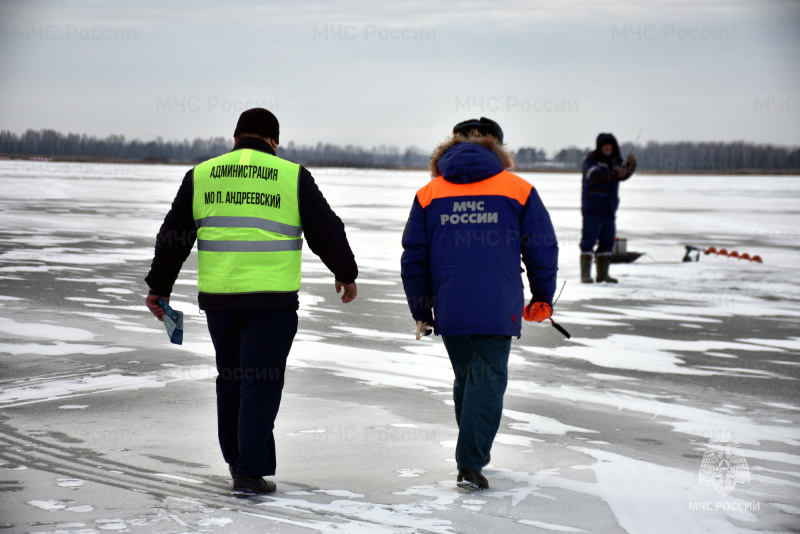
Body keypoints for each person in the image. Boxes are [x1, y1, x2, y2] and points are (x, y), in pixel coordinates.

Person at [144, 108, 358, 496]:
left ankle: (236, 460)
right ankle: (250, 470)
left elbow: (174, 233)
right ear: (274, 141)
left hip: (220, 299)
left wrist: (159, 286)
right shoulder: (292, 175)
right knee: (260, 382)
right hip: (271, 300)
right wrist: (345, 271)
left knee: (230, 379)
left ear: (236, 137)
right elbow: (326, 229)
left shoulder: (202, 174)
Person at [401, 117, 558, 490]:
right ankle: (470, 463)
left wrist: (422, 310)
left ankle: (474, 450)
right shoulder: (518, 189)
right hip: (496, 304)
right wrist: (542, 296)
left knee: (469, 377)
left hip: (449, 305)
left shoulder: (430, 193)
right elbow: (542, 247)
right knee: (486, 380)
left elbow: (414, 256)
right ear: (499, 148)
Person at [579, 133, 636, 283]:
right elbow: (593, 175)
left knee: (607, 241)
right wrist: (614, 173)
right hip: (593, 208)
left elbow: (621, 175)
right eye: (605, 145)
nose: (608, 148)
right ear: (600, 147)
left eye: (610, 145)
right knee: (588, 241)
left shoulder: (614, 161)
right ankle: (585, 275)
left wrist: (630, 167)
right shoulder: (591, 159)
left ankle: (603, 275)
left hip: (609, 209)